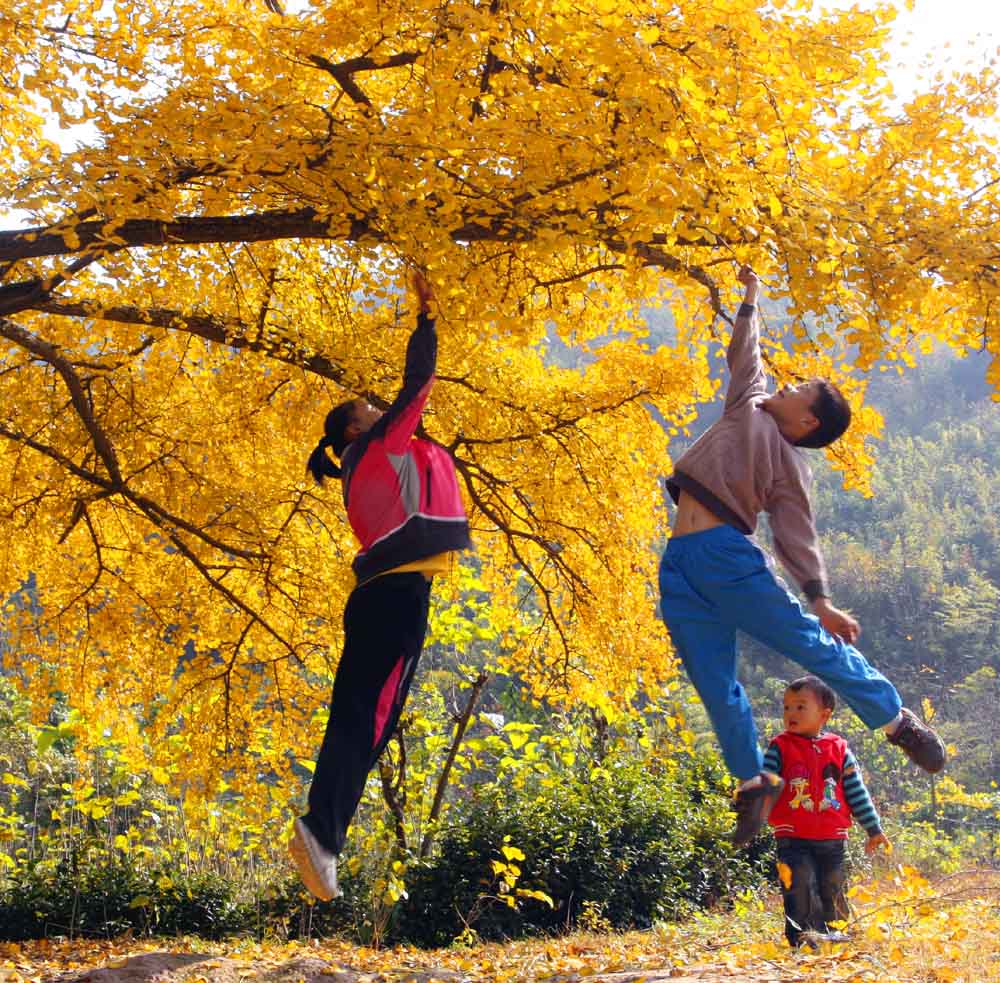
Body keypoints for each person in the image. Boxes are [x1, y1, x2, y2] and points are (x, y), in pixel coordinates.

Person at [658, 265, 945, 848]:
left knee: (809, 642)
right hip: (680, 563)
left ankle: (895, 719)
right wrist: (749, 297)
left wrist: (820, 600)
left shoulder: (787, 462)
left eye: (797, 392)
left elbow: (795, 534)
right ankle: (754, 782)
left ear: (807, 420)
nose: (782, 389)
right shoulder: (749, 403)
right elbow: (746, 351)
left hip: (724, 556)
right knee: (713, 681)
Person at [289, 270, 473, 901]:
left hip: (379, 597)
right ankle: (322, 833)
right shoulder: (378, 447)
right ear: (353, 430)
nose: (380, 410)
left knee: (361, 717)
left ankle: (322, 830)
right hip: (396, 597)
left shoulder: (361, 469)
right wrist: (427, 317)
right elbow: (417, 385)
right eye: (368, 410)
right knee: (368, 720)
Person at [764, 675, 889, 947]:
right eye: (786, 707)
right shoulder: (780, 747)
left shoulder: (839, 749)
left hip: (833, 837)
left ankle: (836, 934)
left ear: (824, 714)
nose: (790, 714)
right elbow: (766, 782)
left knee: (833, 886)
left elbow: (856, 792)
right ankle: (803, 939)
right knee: (799, 884)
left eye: (800, 706)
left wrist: (873, 828)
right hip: (792, 836)